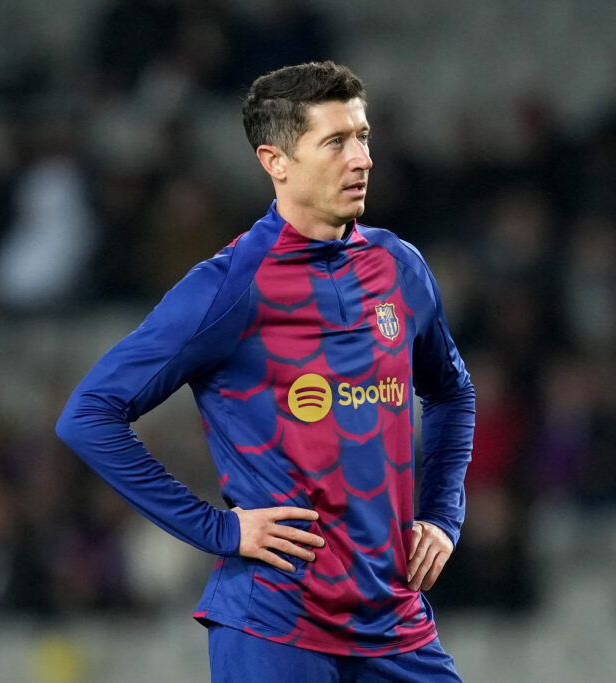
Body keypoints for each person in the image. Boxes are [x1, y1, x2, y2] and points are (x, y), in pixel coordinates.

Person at [56, 60, 475, 682]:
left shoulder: (400, 268)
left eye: (362, 136)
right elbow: (88, 416)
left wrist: (442, 515)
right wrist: (216, 529)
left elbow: (451, 392)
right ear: (275, 161)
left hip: (394, 622)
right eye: (335, 142)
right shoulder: (230, 287)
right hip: (276, 626)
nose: (360, 159)